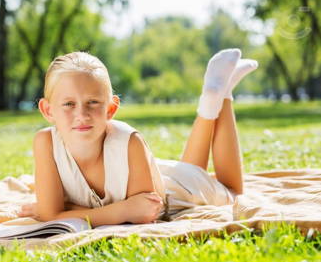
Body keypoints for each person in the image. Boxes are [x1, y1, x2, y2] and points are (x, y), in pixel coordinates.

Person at [18, 50, 258, 227]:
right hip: (164, 176)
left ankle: (221, 95)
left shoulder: (129, 140)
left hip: (179, 192)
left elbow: (147, 214)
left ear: (111, 109)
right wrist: (123, 209)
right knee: (192, 169)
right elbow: (52, 216)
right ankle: (215, 93)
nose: (81, 114)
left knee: (233, 191)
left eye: (93, 102)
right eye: (69, 104)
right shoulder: (45, 142)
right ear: (48, 110)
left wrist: (65, 210)